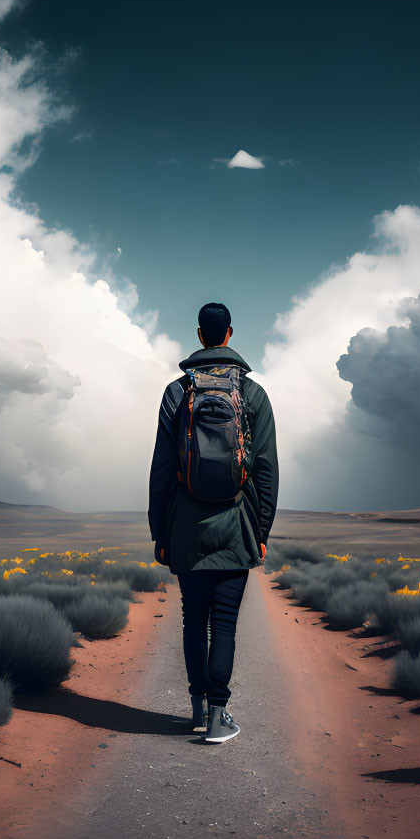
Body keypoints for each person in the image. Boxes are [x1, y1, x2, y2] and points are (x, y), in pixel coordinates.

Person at [148, 302, 278, 743]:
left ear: (201, 335)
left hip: (185, 527)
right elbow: (265, 471)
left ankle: (197, 706)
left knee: (192, 619)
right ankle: (219, 716)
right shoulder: (253, 395)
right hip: (237, 525)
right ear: (228, 335)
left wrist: (159, 532)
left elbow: (162, 470)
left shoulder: (177, 392)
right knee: (223, 622)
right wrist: (260, 533)